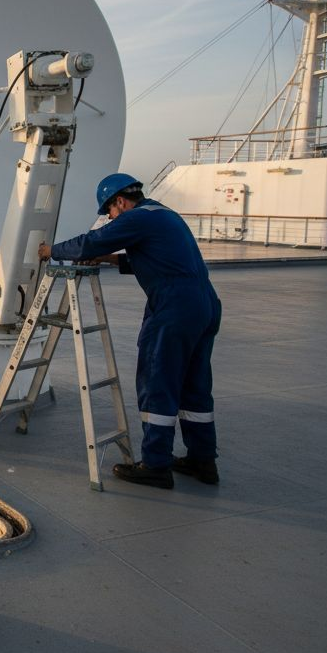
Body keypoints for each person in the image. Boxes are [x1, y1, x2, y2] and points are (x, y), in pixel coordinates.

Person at [38, 173, 221, 489]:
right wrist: (111, 259)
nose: (109, 217)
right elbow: (152, 259)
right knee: (194, 385)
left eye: (108, 212)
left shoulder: (135, 217)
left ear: (119, 202)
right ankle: (203, 460)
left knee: (157, 380)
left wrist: (50, 251)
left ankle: (155, 464)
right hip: (204, 303)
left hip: (174, 306)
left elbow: (89, 241)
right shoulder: (163, 214)